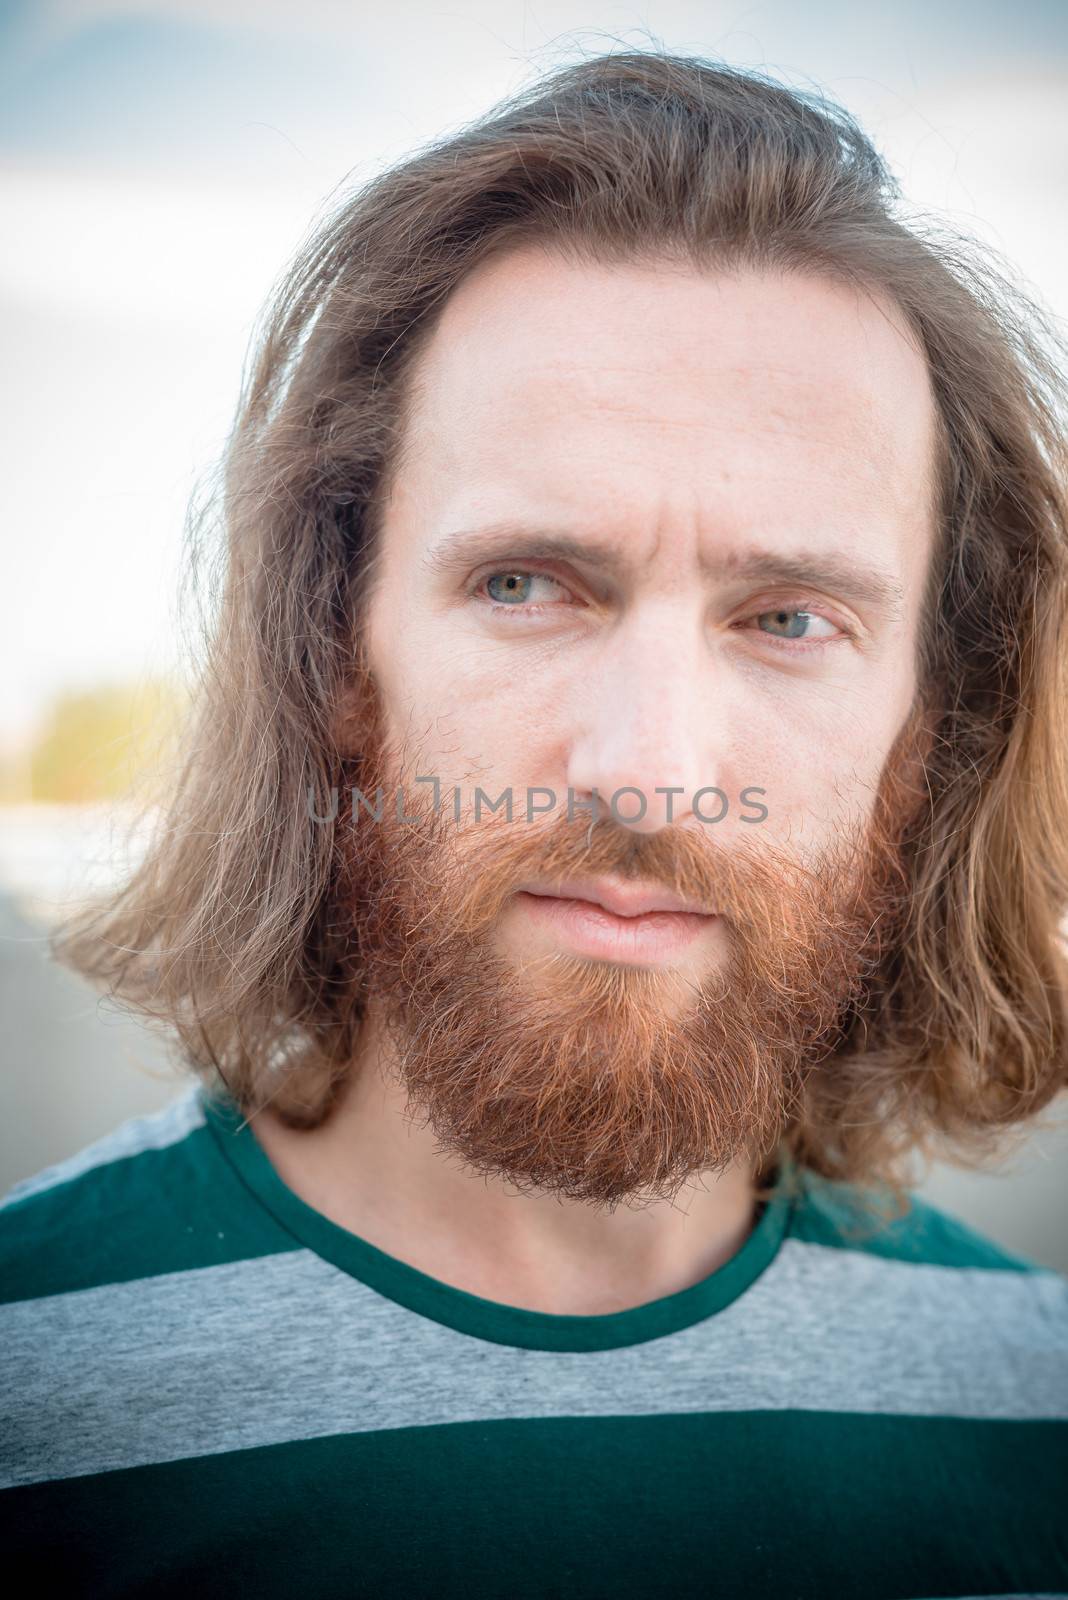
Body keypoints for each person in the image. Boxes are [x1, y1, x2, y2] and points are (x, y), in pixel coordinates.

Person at [2, 49, 1067, 1599]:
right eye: (524, 585)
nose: (645, 774)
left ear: (934, 717)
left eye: (788, 618)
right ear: (336, 653)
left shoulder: (1036, 1413)